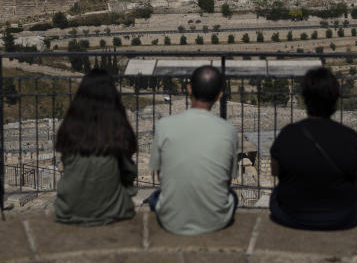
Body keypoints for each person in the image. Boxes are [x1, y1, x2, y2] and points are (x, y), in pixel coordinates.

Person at [269, 67, 357, 230]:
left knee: (276, 195)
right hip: (341, 216)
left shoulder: (288, 134)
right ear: (336, 98)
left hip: (293, 215)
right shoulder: (351, 137)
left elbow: (275, 171)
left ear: (305, 98)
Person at [148, 65, 239, 235]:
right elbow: (227, 181)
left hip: (171, 220)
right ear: (219, 95)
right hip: (216, 221)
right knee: (233, 196)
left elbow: (160, 175)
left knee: (155, 196)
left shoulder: (163, 126)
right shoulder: (229, 131)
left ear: (189, 89)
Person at [54, 69, 138, 225]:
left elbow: (67, 164)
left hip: (68, 210)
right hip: (113, 211)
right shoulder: (118, 129)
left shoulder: (70, 128)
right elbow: (129, 171)